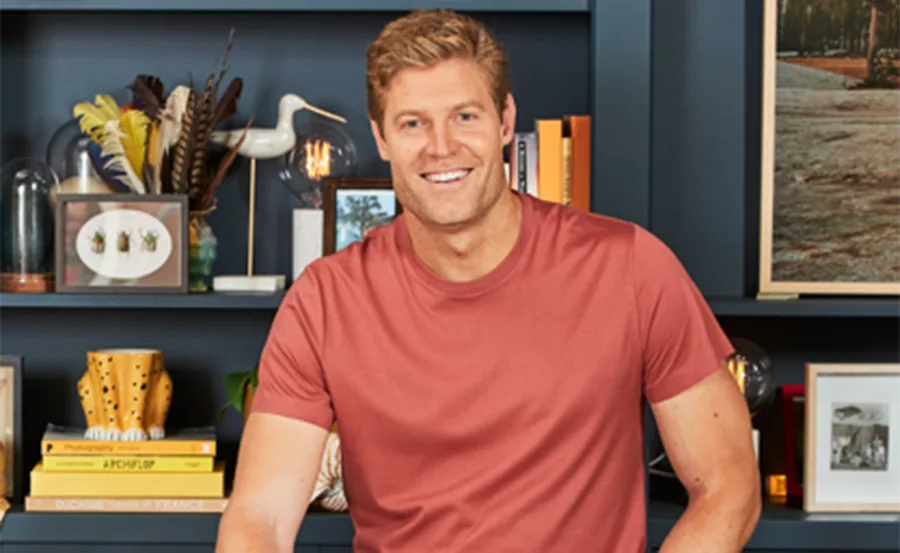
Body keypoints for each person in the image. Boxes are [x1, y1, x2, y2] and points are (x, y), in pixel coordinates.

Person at [216, 8, 760, 553]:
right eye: (412, 123)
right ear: (381, 138)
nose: (441, 146)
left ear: (505, 121)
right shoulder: (325, 299)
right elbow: (259, 517)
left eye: (465, 117)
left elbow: (727, 486)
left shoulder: (631, 267)